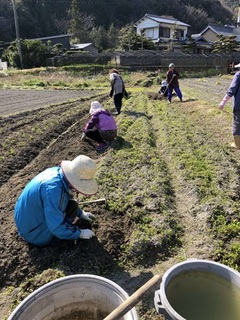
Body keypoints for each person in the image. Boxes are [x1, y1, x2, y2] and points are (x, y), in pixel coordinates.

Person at [14, 155, 98, 246]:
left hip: (27, 222)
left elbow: (63, 201)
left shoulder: (56, 173)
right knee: (60, 232)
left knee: (72, 206)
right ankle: (57, 238)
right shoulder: (55, 190)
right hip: (35, 234)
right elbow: (55, 226)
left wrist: (81, 214)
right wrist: (79, 233)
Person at [219, 64, 240, 149]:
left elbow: (232, 89)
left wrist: (223, 102)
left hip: (239, 105)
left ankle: (237, 144)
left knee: (237, 124)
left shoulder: (238, 74)